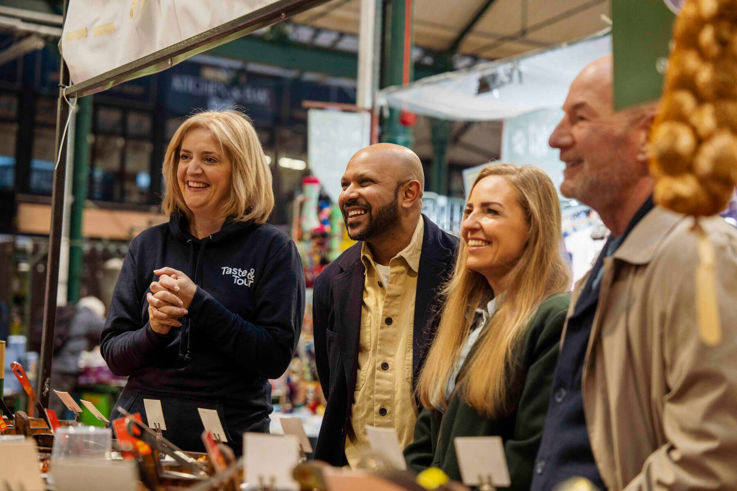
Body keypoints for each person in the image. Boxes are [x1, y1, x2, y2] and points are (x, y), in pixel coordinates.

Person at [531, 57, 737, 489]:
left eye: (580, 118)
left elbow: (710, 459)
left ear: (649, 137)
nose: (555, 138)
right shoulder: (615, 261)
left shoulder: (699, 255)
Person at [100, 110, 305, 455]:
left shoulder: (273, 249)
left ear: (241, 171)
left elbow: (273, 359)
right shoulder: (148, 244)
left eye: (209, 159)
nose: (192, 170)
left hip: (229, 448)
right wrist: (154, 331)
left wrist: (199, 304)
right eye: (185, 157)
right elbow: (115, 357)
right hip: (138, 440)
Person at [404, 164, 571, 488]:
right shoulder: (472, 321)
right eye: (469, 211)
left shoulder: (554, 319)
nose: (469, 224)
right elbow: (425, 440)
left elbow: (530, 456)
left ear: (534, 227)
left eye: (491, 211)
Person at [313, 143, 458, 467]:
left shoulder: (463, 271)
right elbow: (334, 383)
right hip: (352, 476)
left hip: (431, 478)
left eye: (365, 182)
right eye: (345, 184)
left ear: (409, 193)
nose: (347, 195)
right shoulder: (332, 282)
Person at [49, 296, 106, 417]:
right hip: (66, 368)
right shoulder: (88, 316)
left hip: (54, 364)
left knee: (53, 404)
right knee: (57, 407)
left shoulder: (73, 314)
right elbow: (109, 329)